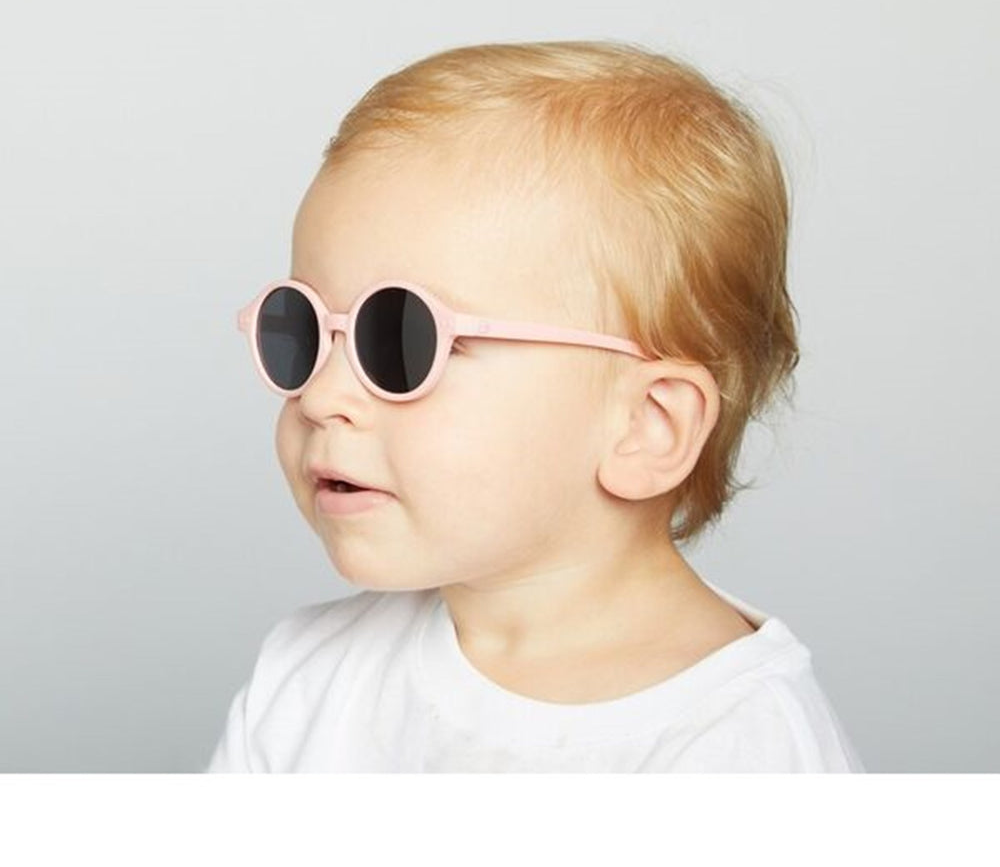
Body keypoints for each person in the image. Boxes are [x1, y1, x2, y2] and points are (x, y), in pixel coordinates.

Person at [206, 39, 864, 772]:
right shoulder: (310, 679)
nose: (321, 396)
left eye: (400, 342)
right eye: (303, 330)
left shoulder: (736, 745)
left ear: (647, 426)